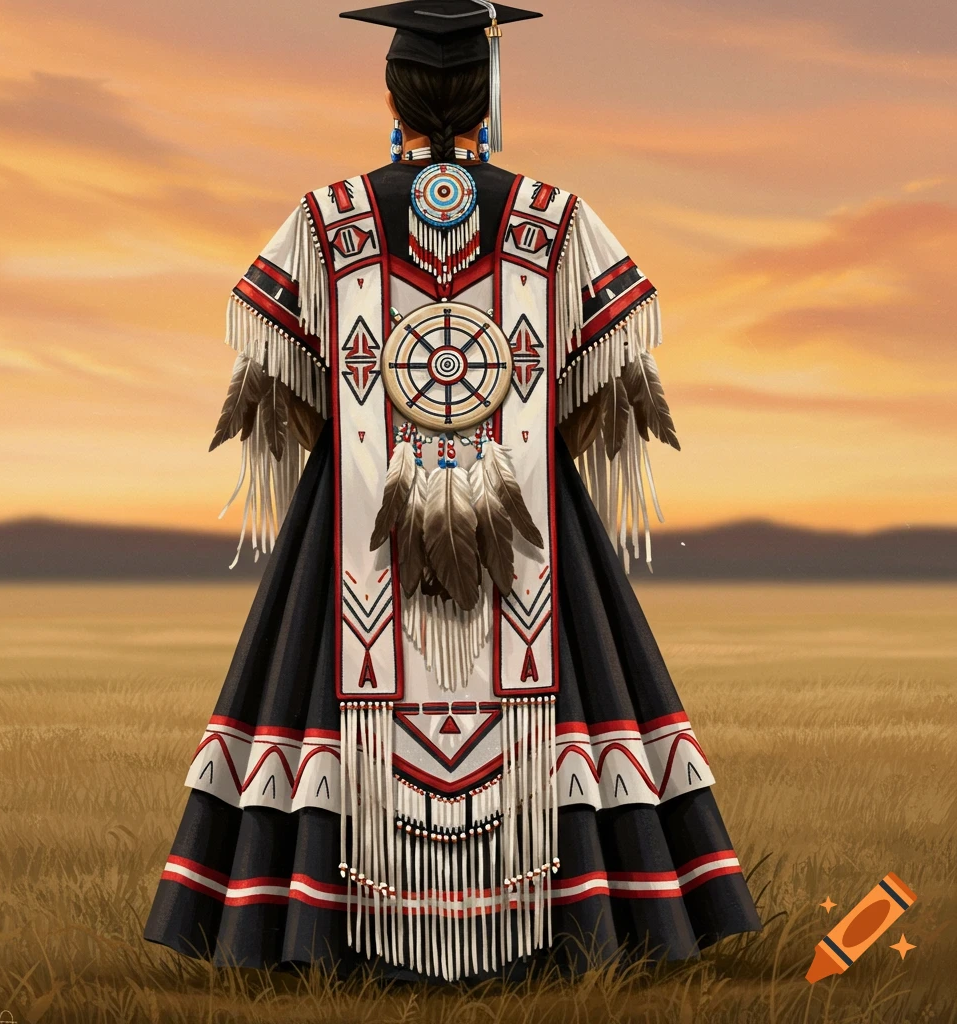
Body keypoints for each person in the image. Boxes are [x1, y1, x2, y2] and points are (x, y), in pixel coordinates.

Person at [144, 0, 762, 982]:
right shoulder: (555, 218)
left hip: (357, 527)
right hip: (529, 523)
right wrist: (512, 452)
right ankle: (571, 935)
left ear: (392, 94)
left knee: (308, 695)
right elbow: (607, 379)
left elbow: (276, 378)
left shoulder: (329, 219)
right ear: (487, 94)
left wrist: (363, 454)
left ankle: (324, 936)